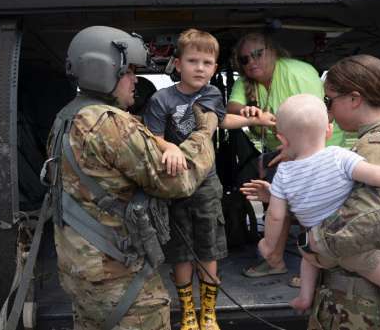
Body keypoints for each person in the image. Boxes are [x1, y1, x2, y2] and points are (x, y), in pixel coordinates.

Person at [44, 25, 220, 330]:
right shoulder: (110, 124)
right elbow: (179, 182)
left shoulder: (66, 117)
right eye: (129, 72)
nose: (134, 80)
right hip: (118, 277)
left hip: (80, 269)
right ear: (105, 70)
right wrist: (204, 132)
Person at [256, 94, 380, 330]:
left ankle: (305, 296)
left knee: (308, 255)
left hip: (314, 248)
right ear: (328, 130)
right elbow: (378, 175)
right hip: (350, 248)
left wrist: (268, 245)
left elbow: (276, 216)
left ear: (282, 140)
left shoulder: (283, 174)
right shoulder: (339, 156)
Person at [143, 29, 275, 330]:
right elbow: (153, 137)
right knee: (181, 249)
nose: (200, 67)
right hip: (176, 186)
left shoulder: (213, 95)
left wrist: (254, 119)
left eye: (207, 62)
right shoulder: (162, 99)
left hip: (206, 184)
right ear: (177, 64)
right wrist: (172, 147)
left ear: (215, 68)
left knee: (210, 247)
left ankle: (209, 312)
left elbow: (223, 121)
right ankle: (189, 311)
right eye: (192, 61)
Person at [298, 54, 380, 330]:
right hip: (353, 304)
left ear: (354, 99)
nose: (328, 111)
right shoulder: (373, 142)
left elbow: (375, 223)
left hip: (362, 309)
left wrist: (313, 242)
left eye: (329, 100)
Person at [227, 32, 347, 279]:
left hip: (318, 146)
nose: (252, 62)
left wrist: (294, 152)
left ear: (272, 51)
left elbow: (315, 117)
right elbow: (231, 109)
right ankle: (275, 260)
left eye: (258, 54)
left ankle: (320, 268)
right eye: (245, 59)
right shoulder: (247, 80)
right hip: (284, 149)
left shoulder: (297, 72)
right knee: (273, 202)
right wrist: (250, 112)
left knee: (311, 207)